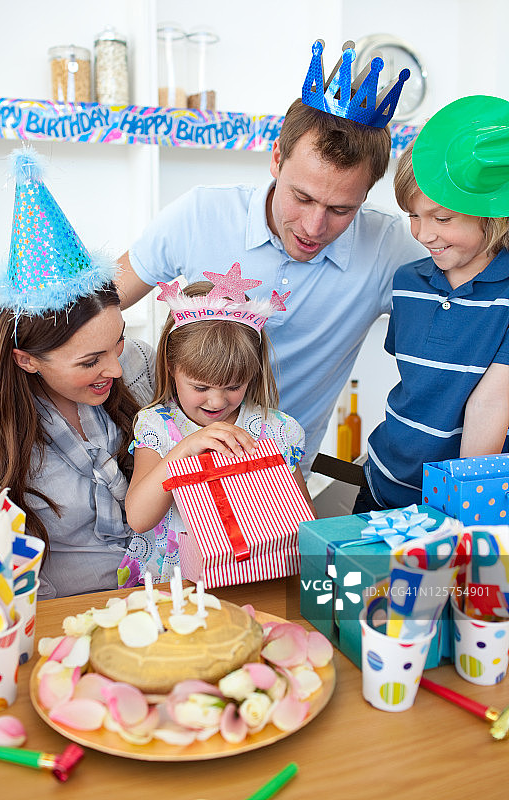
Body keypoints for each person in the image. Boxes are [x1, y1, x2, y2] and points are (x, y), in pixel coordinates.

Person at [114, 40, 426, 476]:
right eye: (302, 197)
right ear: (277, 157)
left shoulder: (388, 246)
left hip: (280, 480)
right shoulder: (201, 213)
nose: (315, 228)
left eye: (341, 210)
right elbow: (98, 304)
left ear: (367, 193)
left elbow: (472, 299)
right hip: (170, 473)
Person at [0, 147, 155, 599]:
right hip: (59, 617)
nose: (114, 369)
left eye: (117, 342)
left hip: (165, 593)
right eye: (89, 362)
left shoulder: (140, 366)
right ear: (26, 359)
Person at [354, 95, 509, 512]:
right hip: (382, 481)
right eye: (413, 216)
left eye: (441, 219)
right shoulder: (408, 282)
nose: (422, 235)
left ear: (492, 215)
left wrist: (461, 510)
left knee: (441, 583)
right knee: (355, 580)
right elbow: (417, 389)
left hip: (460, 497)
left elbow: (490, 406)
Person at [118, 265, 315, 587]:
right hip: (172, 582)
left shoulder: (276, 430)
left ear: (253, 373)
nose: (216, 402)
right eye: (200, 388)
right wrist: (185, 449)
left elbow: (301, 525)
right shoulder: (158, 427)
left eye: (233, 386)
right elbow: (139, 519)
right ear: (171, 366)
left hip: (256, 576)